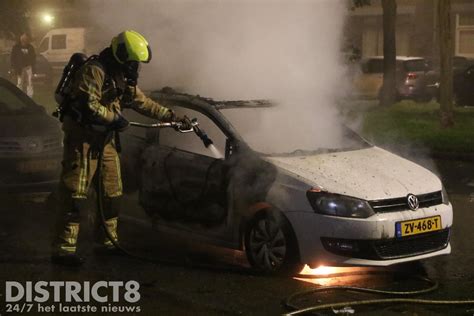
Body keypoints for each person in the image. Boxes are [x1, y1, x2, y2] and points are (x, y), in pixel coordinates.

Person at [52, 30, 189, 266]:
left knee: (112, 192)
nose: (135, 67)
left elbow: (141, 102)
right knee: (75, 193)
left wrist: (172, 116)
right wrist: (113, 119)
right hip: (83, 140)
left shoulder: (120, 75)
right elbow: (88, 104)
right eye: (133, 61)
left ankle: (106, 242)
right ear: (121, 55)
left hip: (104, 142)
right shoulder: (94, 70)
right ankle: (64, 249)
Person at [11, 33, 36, 97]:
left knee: (29, 82)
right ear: (20, 39)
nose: (24, 40)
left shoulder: (30, 47)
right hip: (20, 68)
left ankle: (30, 96)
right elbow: (13, 58)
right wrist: (14, 67)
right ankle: (19, 96)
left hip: (28, 67)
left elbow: (33, 57)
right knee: (20, 83)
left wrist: (33, 67)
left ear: (27, 39)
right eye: (23, 38)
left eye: (25, 38)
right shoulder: (16, 47)